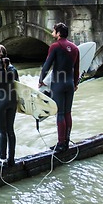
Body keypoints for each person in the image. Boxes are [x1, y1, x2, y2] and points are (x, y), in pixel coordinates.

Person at [38, 23, 80, 153]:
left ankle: (61, 144)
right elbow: (76, 69)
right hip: (69, 83)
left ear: (58, 33)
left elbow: (47, 65)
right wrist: (75, 83)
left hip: (58, 84)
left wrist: (41, 80)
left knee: (60, 114)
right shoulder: (75, 48)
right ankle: (66, 141)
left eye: (53, 31)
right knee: (68, 113)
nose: (52, 33)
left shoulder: (55, 46)